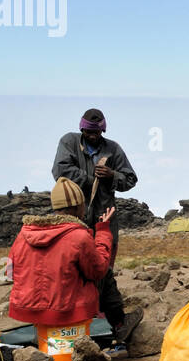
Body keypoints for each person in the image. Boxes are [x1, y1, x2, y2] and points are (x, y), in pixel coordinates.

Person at [51, 108, 142, 341]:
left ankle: (103, 318)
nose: (92, 136)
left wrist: (112, 175)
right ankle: (88, 315)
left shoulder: (112, 148)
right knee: (76, 267)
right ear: (82, 129)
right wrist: (92, 179)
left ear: (103, 130)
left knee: (103, 267)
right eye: (89, 132)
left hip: (104, 215)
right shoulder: (69, 142)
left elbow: (130, 178)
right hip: (75, 216)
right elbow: (60, 170)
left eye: (97, 132)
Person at [8, 177, 115, 328]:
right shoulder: (79, 236)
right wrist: (103, 230)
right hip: (68, 313)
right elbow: (98, 271)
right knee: (106, 273)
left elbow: (9, 272)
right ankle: (118, 325)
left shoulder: (23, 235)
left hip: (28, 311)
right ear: (78, 207)